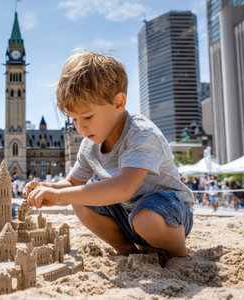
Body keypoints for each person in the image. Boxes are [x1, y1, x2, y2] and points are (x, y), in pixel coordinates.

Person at [25, 51, 194, 270]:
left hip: (168, 213)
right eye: (74, 119)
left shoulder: (141, 134)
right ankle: (125, 248)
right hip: (127, 216)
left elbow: (123, 188)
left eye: (87, 117)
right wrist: (50, 189)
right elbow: (72, 185)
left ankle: (178, 252)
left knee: (145, 218)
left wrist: (60, 193)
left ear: (118, 102)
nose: (80, 127)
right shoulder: (90, 143)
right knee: (80, 199)